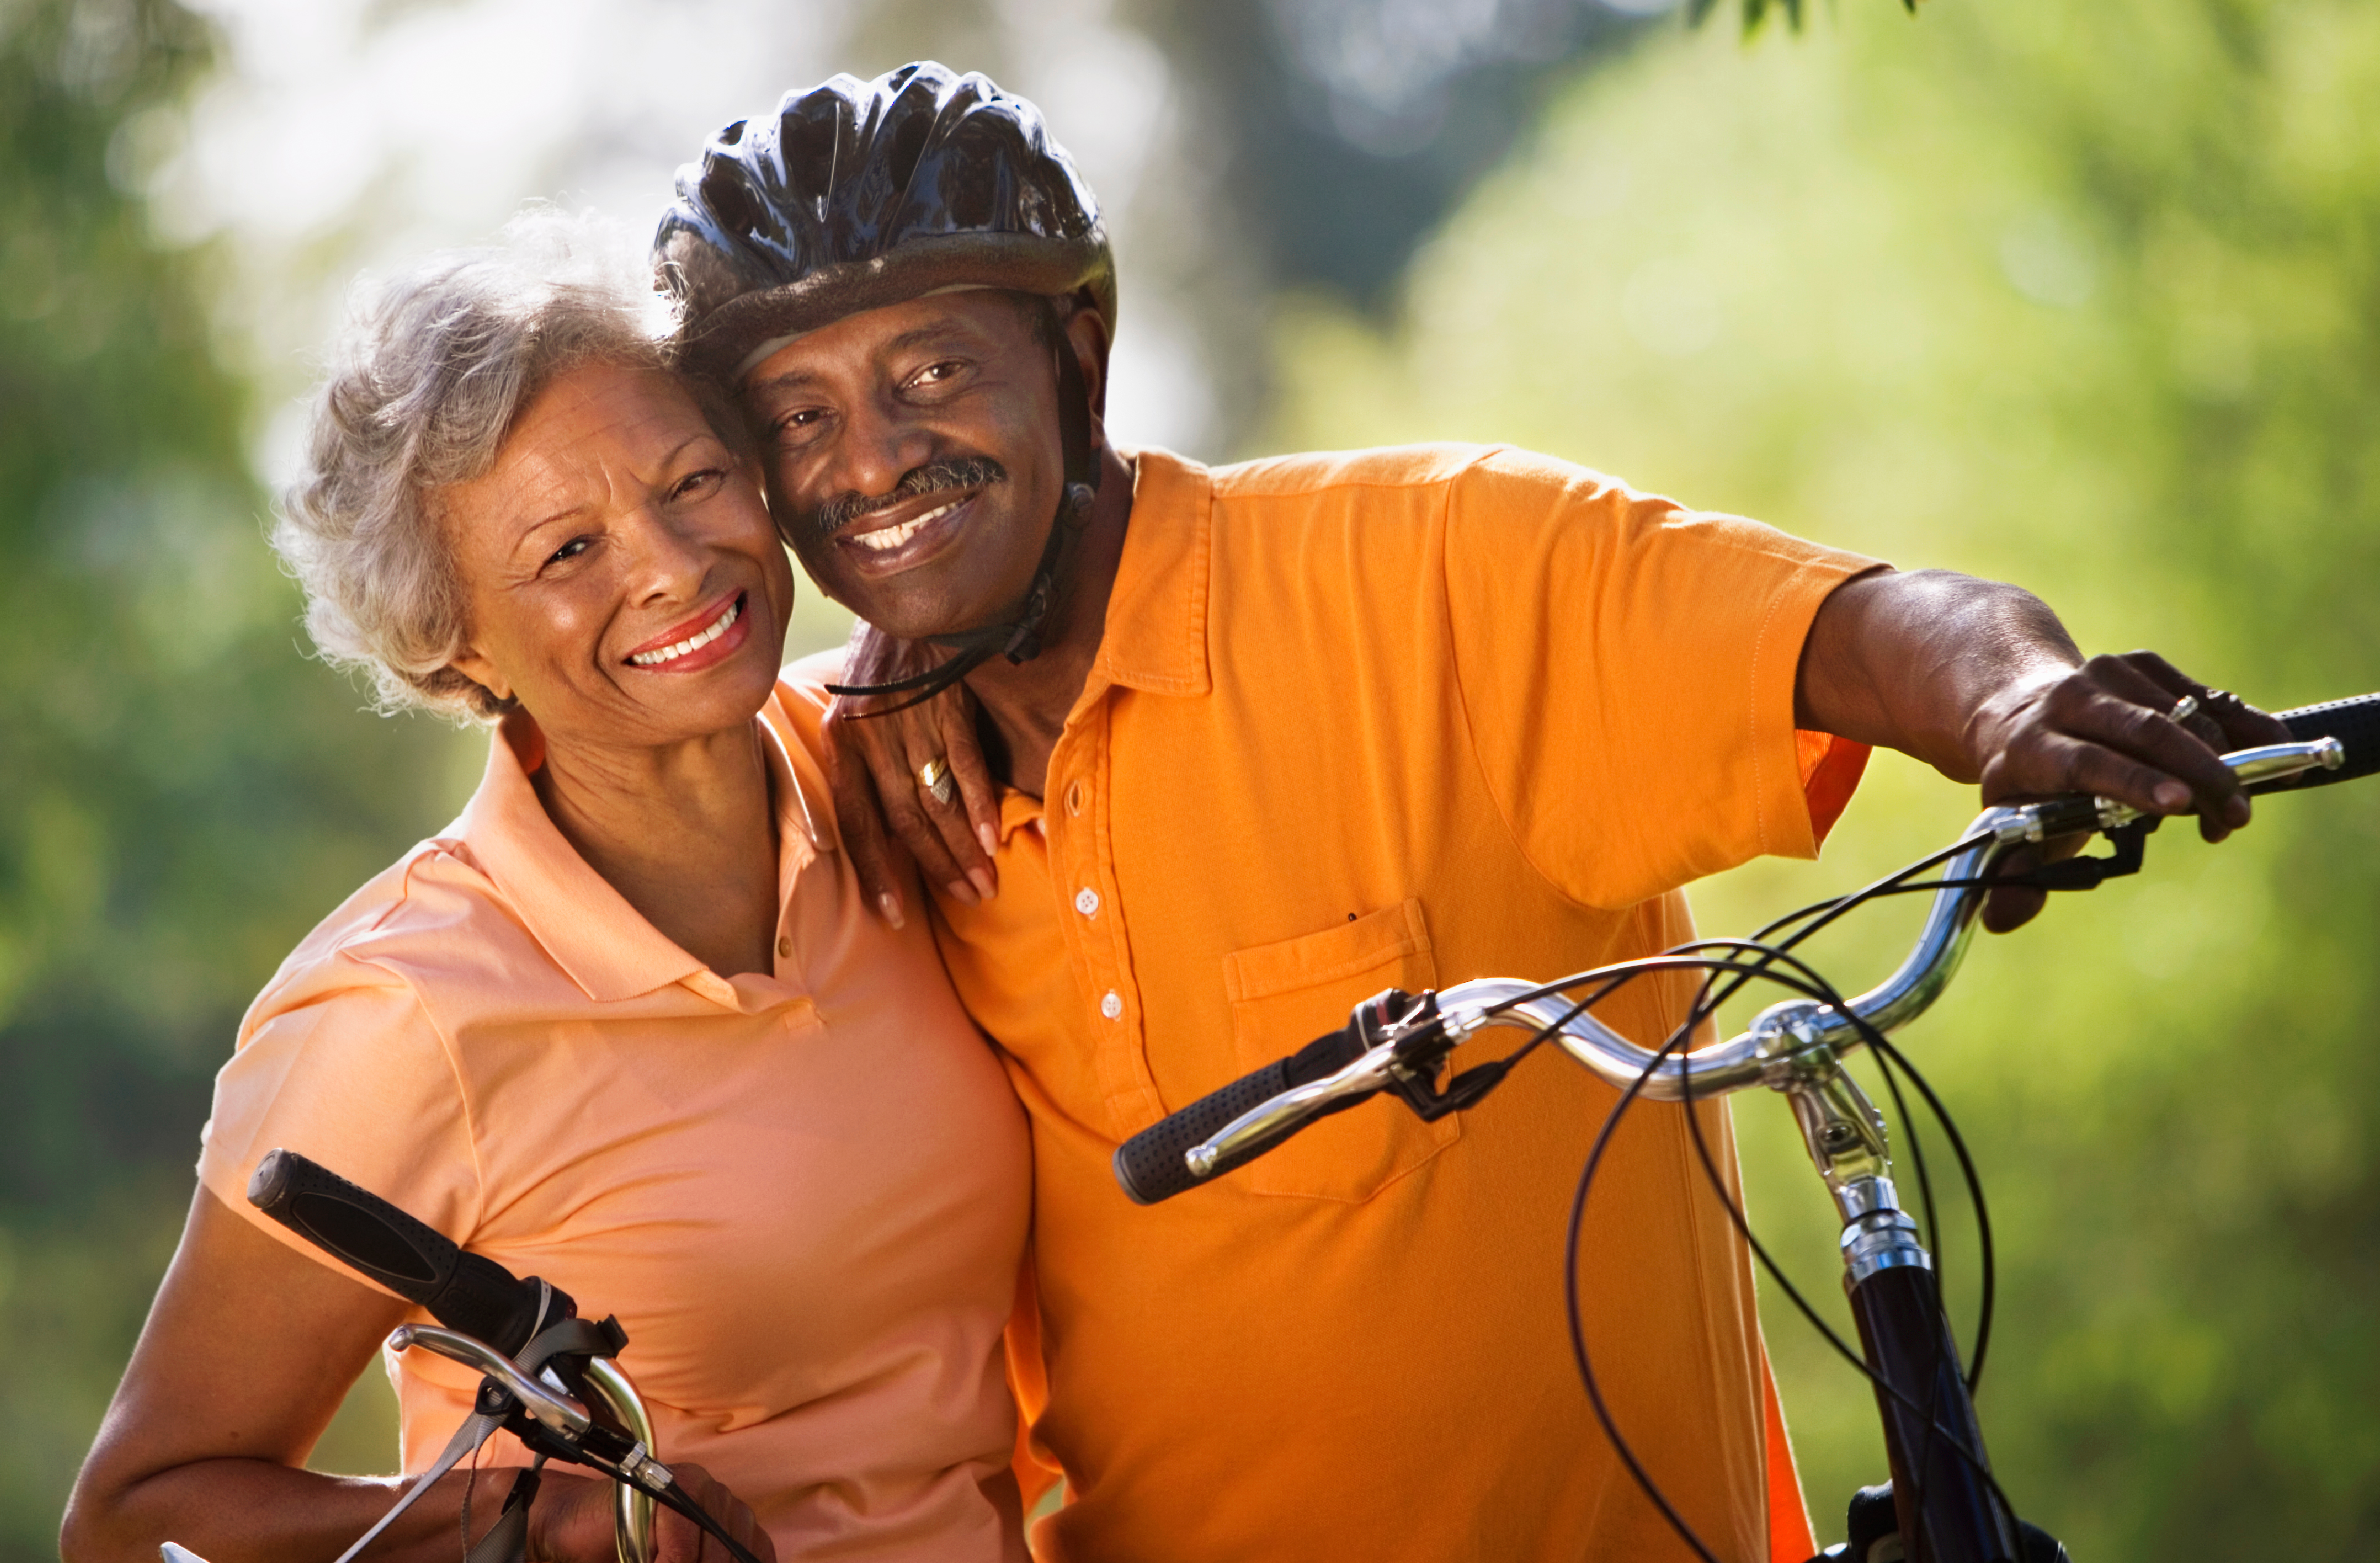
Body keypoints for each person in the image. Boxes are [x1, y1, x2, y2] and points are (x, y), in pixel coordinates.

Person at [653, 64, 2296, 1563]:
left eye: (934, 371)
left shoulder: (1432, 569)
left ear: (1076, 358)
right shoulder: (835, 777)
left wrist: (2008, 698)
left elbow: (1860, 627)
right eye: (801, 418)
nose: (873, 461)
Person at [60, 218, 1032, 1563]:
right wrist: (535, 1521)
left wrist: (920, 651)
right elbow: (132, 1519)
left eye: (693, 480)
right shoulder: (402, 1014)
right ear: (457, 644)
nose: (674, 565)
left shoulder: (888, 767)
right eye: (567, 553)